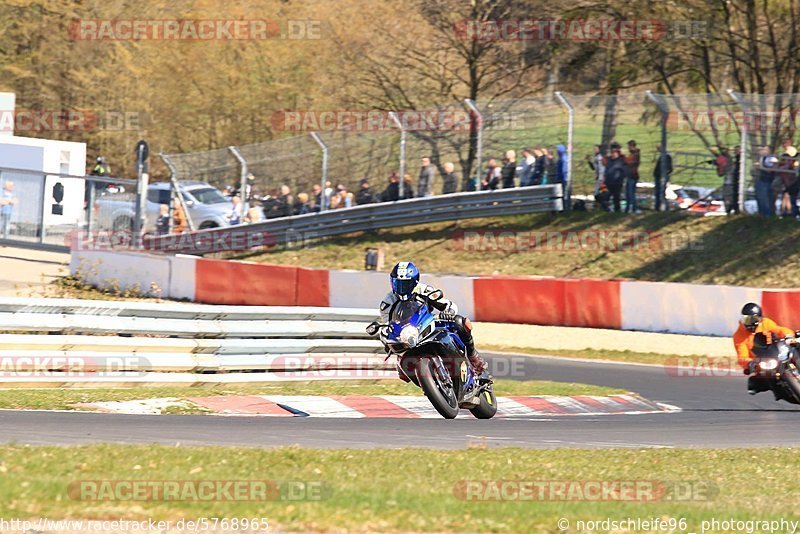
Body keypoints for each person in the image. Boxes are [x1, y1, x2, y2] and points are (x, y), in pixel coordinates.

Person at [379, 261, 486, 377]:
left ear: (414, 282)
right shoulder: (388, 302)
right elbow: (386, 325)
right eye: (397, 283)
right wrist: (387, 338)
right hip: (408, 335)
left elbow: (449, 305)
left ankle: (473, 356)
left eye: (405, 284)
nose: (401, 288)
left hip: (427, 324)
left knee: (461, 322)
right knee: (403, 372)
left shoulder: (423, 290)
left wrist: (447, 313)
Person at [734, 303, 797, 397]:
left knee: (796, 346)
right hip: (761, 361)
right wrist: (750, 364)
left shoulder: (765, 323)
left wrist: (788, 335)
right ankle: (783, 392)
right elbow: (742, 356)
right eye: (745, 319)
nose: (748, 322)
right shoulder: (739, 335)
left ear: (759, 318)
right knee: (754, 383)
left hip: (775, 351)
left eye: (752, 319)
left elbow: (778, 330)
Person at [604, 142, 628, 213]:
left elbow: (624, 171)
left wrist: (621, 179)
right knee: (606, 196)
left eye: (614, 152)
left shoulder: (621, 161)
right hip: (609, 181)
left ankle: (617, 210)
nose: (613, 154)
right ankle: (607, 209)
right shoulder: (609, 160)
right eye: (612, 152)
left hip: (617, 182)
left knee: (616, 197)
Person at [755, 146, 777, 217]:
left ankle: (767, 214)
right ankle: (762, 213)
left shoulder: (772, 158)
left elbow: (772, 169)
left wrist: (762, 168)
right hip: (761, 179)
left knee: (766, 198)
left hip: (767, 180)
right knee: (760, 197)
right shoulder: (762, 158)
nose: (763, 151)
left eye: (765, 149)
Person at [652, 144, 673, 211]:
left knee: (660, 193)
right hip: (659, 177)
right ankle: (658, 207)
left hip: (661, 178)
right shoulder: (663, 156)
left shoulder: (666, 156)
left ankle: (661, 208)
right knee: (659, 193)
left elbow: (669, 168)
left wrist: (662, 174)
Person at [624, 140, 640, 213]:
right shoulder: (633, 154)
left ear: (631, 146)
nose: (628, 148)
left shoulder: (635, 155)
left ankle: (632, 208)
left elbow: (629, 162)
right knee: (628, 193)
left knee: (630, 193)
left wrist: (624, 158)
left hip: (632, 176)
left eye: (629, 146)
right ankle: (628, 208)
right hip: (629, 175)